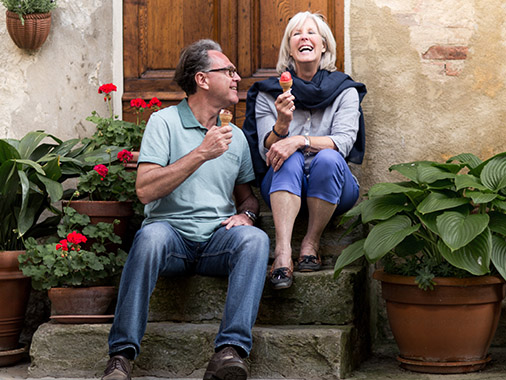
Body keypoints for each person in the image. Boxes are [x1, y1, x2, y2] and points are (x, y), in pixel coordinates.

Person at [101, 39, 269, 380]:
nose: (237, 78)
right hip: (170, 235)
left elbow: (247, 197)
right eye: (229, 71)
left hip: (217, 241)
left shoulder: (234, 136)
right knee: (148, 238)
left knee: (256, 240)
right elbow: (145, 190)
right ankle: (120, 357)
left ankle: (229, 351)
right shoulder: (163, 123)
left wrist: (247, 215)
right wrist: (200, 153)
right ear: (202, 79)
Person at [242, 11, 366, 290]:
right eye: (296, 34)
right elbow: (267, 153)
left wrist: (299, 140)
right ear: (289, 48)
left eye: (311, 32)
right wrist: (282, 125)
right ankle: (283, 252)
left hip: (335, 183)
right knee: (287, 158)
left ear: (324, 45)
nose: (304, 37)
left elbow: (344, 141)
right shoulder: (268, 93)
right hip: (283, 179)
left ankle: (311, 241)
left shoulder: (345, 90)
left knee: (329, 157)